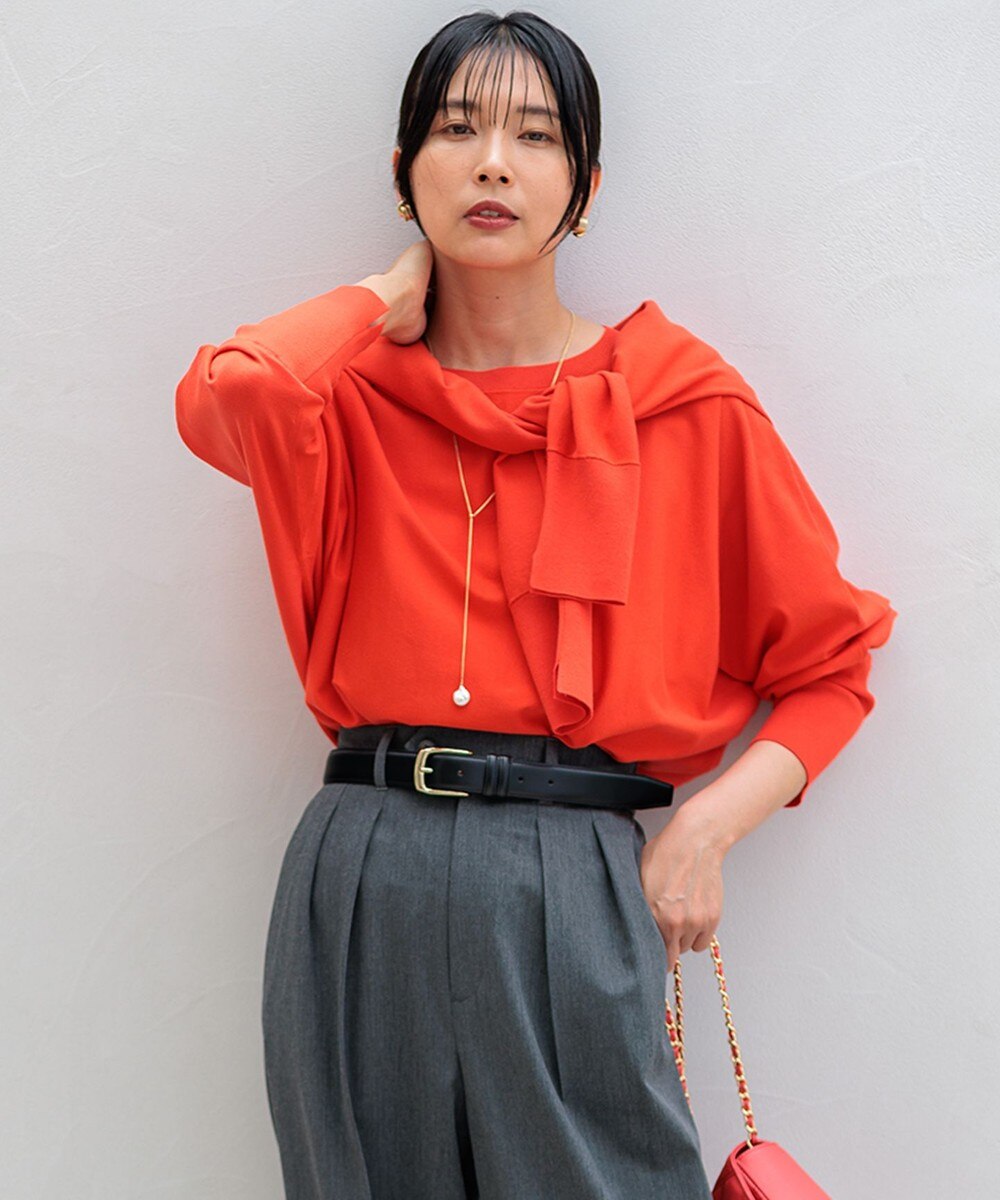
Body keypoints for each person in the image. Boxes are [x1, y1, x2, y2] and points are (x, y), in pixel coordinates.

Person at [174, 10, 897, 1199]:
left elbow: (832, 665)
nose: (494, 164)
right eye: (457, 130)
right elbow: (230, 394)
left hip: (571, 867)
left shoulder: (682, 402)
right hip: (364, 863)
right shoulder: (341, 398)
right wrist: (381, 293)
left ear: (585, 186)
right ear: (405, 173)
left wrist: (707, 830)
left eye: (536, 135)